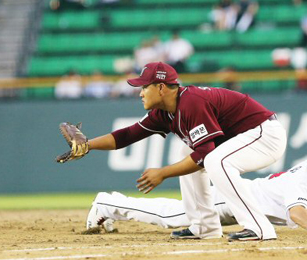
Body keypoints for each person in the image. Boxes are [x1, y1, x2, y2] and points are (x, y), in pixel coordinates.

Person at [56, 61, 287, 241]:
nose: (140, 92)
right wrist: (89, 145)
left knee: (216, 161)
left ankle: (258, 228)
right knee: (185, 152)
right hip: (245, 137)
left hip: (264, 134)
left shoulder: (191, 102)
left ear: (161, 87)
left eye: (144, 86)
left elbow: (205, 155)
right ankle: (204, 226)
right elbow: (128, 134)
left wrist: (163, 173)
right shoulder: (164, 112)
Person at [86, 135, 307, 235]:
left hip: (243, 207)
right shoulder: (303, 178)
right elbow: (298, 213)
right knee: (172, 216)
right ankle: (106, 204)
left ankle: (110, 205)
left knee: (176, 213)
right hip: (233, 200)